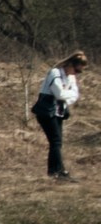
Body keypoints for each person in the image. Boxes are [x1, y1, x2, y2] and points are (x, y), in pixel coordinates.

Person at [34, 51, 84, 181]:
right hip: (46, 111)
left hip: (59, 112)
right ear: (70, 64)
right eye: (76, 70)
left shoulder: (71, 77)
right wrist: (66, 94)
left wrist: (65, 95)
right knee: (56, 141)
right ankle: (57, 172)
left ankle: (56, 171)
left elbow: (75, 95)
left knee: (57, 142)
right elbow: (59, 94)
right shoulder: (54, 73)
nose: (76, 74)